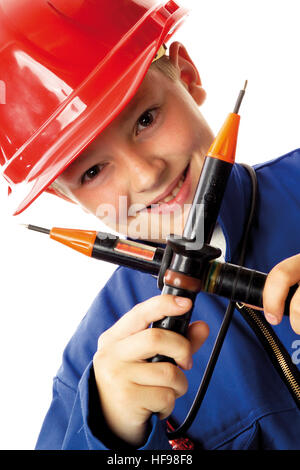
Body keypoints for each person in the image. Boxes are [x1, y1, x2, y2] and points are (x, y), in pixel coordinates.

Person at [0, 0, 299, 450]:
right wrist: (113, 435)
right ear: (63, 196)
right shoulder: (91, 371)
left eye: (145, 119)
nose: (145, 175)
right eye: (92, 172)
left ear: (188, 75)